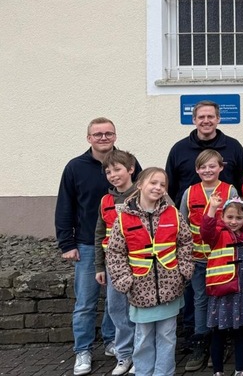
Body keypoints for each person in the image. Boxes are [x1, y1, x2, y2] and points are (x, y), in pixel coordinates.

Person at [55, 117, 140, 376]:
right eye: (98, 134)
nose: (103, 137)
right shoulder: (75, 167)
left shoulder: (126, 162)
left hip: (127, 248)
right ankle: (82, 350)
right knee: (86, 302)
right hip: (88, 244)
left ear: (115, 136)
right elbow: (65, 205)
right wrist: (66, 243)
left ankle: (112, 342)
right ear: (89, 138)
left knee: (118, 301)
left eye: (108, 133)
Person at [106, 167, 194, 376]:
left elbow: (185, 242)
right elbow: (115, 252)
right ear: (140, 185)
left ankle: (164, 373)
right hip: (139, 288)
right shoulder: (124, 218)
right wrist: (124, 280)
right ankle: (144, 372)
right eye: (153, 183)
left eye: (163, 185)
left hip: (170, 286)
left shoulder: (173, 213)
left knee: (167, 335)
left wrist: (183, 270)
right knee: (143, 337)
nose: (158, 188)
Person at [180, 149, 240, 372]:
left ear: (221, 168)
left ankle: (221, 341)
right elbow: (182, 224)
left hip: (222, 257)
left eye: (212, 166)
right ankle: (200, 343)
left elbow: (236, 219)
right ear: (197, 170)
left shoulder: (229, 190)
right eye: (203, 167)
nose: (207, 170)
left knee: (223, 299)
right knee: (200, 300)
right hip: (198, 258)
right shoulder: (189, 192)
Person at [202, 195, 243, 376]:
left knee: (241, 331)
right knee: (218, 331)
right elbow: (205, 231)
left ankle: (240, 370)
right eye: (229, 217)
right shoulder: (217, 234)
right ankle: (218, 371)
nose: (233, 221)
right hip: (221, 290)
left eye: (238, 218)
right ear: (222, 217)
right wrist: (212, 209)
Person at [93, 150, 138, 376]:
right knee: (117, 310)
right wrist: (99, 267)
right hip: (113, 266)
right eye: (108, 171)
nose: (112, 175)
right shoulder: (106, 200)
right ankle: (124, 355)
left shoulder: (143, 194)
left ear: (130, 170)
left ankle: (140, 354)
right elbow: (100, 234)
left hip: (140, 264)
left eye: (117, 169)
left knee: (139, 310)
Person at [165, 100, 243, 204]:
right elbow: (170, 186)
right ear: (194, 120)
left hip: (226, 215)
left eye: (210, 117)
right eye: (201, 117)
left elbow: (242, 183)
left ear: (218, 119)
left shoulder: (234, 147)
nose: (206, 121)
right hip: (189, 216)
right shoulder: (179, 149)